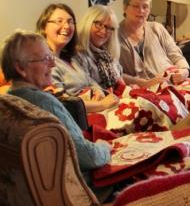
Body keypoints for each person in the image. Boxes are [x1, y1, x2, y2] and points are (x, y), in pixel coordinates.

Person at [0, 30, 111, 197]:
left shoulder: (7, 102)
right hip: (77, 190)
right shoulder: (44, 103)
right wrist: (104, 147)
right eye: (45, 59)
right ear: (21, 68)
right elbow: (87, 157)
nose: (52, 64)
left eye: (51, 57)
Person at [75, 5, 189, 134]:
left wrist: (146, 83)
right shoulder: (79, 55)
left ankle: (182, 132)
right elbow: (88, 86)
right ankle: (172, 137)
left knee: (166, 95)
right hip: (105, 103)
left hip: (119, 95)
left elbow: (120, 76)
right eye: (98, 24)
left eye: (109, 28)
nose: (103, 31)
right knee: (148, 107)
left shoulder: (106, 52)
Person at [36, 3, 119, 113]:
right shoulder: (46, 64)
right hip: (81, 119)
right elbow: (62, 104)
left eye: (70, 22)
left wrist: (98, 90)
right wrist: (102, 104)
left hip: (98, 109)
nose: (66, 26)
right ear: (43, 26)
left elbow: (90, 81)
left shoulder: (72, 57)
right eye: (59, 21)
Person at [118, 0, 190, 87]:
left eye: (145, 6)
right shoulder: (114, 36)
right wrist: (144, 83)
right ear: (125, 7)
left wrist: (184, 71)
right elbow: (114, 72)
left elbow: (176, 56)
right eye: (136, 6)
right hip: (141, 91)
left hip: (172, 83)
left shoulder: (157, 28)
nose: (141, 11)